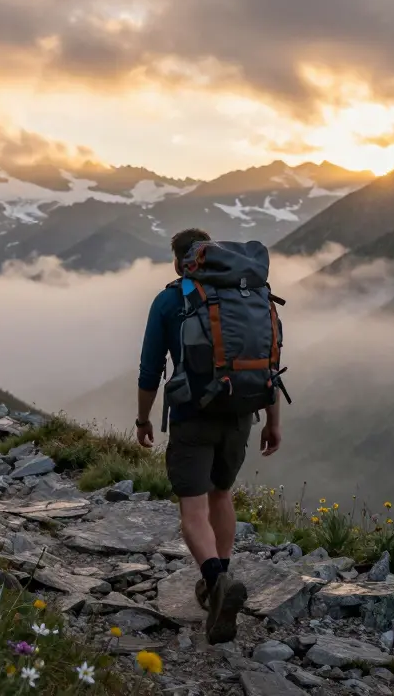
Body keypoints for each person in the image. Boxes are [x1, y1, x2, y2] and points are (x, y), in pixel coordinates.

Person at [135, 227, 283, 645]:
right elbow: (269, 362)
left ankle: (217, 581)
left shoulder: (170, 300)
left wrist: (143, 419)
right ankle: (220, 577)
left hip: (191, 415)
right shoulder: (249, 294)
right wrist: (274, 422)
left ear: (178, 260)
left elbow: (150, 369)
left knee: (193, 509)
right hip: (241, 411)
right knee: (222, 494)